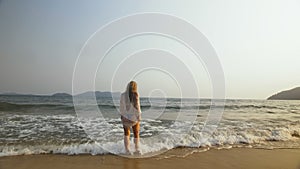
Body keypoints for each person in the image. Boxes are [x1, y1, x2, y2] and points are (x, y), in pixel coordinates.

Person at [119, 81, 142, 154]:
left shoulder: (123, 95)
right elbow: (137, 106)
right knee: (136, 133)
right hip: (133, 117)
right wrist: (139, 116)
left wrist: (122, 116)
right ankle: (137, 149)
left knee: (126, 133)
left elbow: (121, 107)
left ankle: (127, 150)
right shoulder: (135, 94)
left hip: (126, 117)